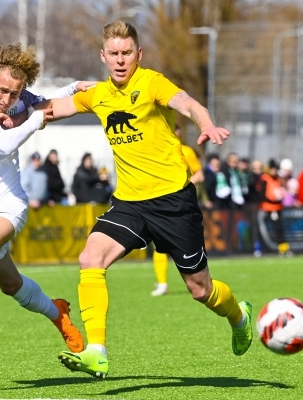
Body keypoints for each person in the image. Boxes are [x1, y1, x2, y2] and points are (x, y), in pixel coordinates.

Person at [48, 21, 252, 378]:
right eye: (113, 53)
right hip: (130, 203)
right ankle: (96, 351)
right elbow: (51, 109)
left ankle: (239, 315)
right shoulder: (97, 95)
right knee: (90, 256)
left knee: (199, 289)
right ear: (103, 57)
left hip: (174, 203)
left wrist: (206, 123)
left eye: (127, 52)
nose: (120, 60)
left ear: (138, 55)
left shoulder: (151, 82)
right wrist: (10, 118)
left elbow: (188, 103)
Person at [0, 42, 92, 361]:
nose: (8, 99)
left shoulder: (21, 101)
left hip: (8, 200)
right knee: (10, 284)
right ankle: (58, 312)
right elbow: (1, 141)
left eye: (15, 93)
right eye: (2, 90)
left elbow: (49, 104)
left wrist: (81, 91)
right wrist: (35, 121)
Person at [151, 123, 205, 297]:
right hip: (159, 202)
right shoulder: (155, 150)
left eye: (176, 130)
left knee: (186, 244)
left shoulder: (186, 151)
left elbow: (199, 174)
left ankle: (201, 282)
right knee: (158, 245)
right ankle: (162, 283)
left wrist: (182, 187)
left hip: (181, 203)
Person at [256, 159, 291, 256]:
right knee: (262, 229)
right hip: (266, 208)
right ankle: (259, 249)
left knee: (279, 229)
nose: (274, 171)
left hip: (277, 208)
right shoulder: (265, 179)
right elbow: (261, 195)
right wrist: (272, 201)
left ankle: (283, 249)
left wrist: (279, 199)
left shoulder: (279, 180)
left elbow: (282, 191)